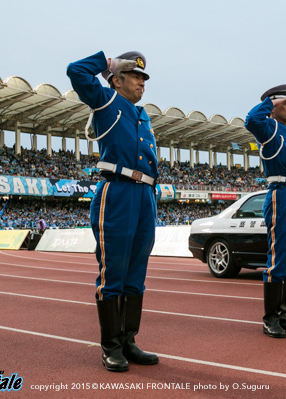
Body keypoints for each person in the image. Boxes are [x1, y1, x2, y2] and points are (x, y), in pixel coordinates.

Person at [67, 51, 159, 372]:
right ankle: (110, 346)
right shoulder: (106, 101)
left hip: (145, 196)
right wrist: (107, 62)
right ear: (118, 80)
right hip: (117, 193)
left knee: (136, 273)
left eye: (144, 78)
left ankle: (128, 341)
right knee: (114, 272)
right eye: (135, 76)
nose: (141, 83)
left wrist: (152, 196)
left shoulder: (142, 115)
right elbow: (76, 71)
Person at [244, 84, 286, 338]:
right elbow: (251, 120)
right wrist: (270, 104)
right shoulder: (268, 128)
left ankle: (283, 314)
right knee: (279, 258)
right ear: (274, 105)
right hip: (282, 195)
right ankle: (270, 318)